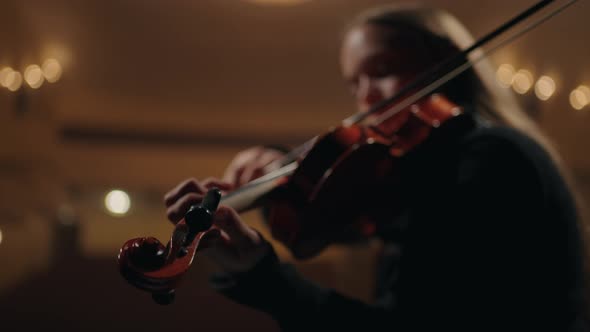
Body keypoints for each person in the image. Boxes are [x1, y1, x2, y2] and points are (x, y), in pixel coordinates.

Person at [163, 4, 589, 331]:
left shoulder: (492, 158)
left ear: (445, 63)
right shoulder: (433, 168)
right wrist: (286, 169)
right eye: (354, 83)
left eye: (382, 71)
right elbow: (357, 212)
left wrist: (262, 275)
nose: (366, 99)